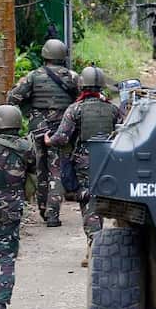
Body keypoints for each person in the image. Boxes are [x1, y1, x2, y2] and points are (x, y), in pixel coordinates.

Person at [46, 66, 121, 265]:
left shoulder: (75, 109)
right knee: (102, 197)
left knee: (88, 202)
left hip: (83, 162)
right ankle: (99, 243)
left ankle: (94, 244)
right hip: (108, 161)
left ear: (81, 85)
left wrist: (48, 140)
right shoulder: (112, 109)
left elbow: (61, 138)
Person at [7, 38, 79, 227]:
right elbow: (81, 101)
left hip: (38, 128)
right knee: (57, 170)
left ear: (45, 54)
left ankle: (43, 210)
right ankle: (53, 215)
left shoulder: (33, 76)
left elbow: (12, 98)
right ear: (63, 55)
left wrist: (28, 112)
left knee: (41, 169)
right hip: (63, 129)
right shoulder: (72, 77)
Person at [0, 105, 35, 309]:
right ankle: (1, 304)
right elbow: (34, 172)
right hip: (11, 209)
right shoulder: (25, 147)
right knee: (6, 255)